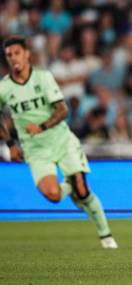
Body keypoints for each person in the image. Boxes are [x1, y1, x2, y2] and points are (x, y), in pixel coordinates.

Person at [0, 36, 117, 249]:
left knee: (83, 191)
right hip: (35, 149)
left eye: (17, 53)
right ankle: (71, 187)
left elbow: (62, 110)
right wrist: (10, 144)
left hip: (61, 140)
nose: (13, 58)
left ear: (26, 54)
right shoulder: (4, 88)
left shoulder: (43, 78)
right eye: (9, 55)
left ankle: (106, 236)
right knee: (53, 195)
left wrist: (42, 126)